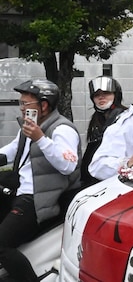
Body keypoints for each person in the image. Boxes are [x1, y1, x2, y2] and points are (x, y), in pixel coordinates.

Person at [0, 79, 81, 282]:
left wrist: (41, 139)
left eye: (25, 104)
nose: (22, 108)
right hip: (20, 190)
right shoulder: (29, 128)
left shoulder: (62, 129)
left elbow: (68, 164)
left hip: (38, 200)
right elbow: (10, 152)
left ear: (43, 105)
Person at [81, 76, 127, 187]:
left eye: (106, 93)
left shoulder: (125, 117)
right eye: (97, 95)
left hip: (115, 176)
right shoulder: (96, 119)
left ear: (116, 95)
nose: (101, 97)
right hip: (94, 178)